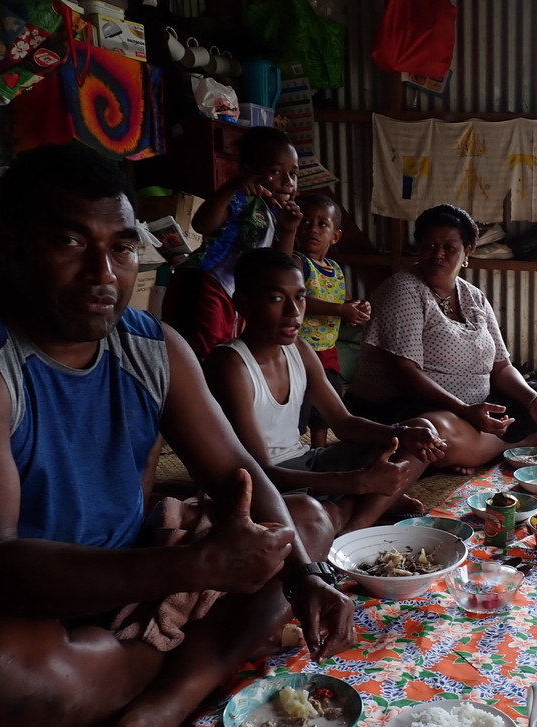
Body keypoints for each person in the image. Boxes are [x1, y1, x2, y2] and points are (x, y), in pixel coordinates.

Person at [0, 142, 356, 727]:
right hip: (33, 611)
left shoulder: (153, 347)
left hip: (137, 572)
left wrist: (305, 577)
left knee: (304, 526)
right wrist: (194, 571)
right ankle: (176, 671)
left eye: (121, 247)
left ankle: (156, 710)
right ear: (11, 245)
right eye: (69, 242)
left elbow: (239, 471)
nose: (104, 273)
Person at [204, 248, 448, 533]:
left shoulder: (300, 350)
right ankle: (361, 508)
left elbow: (344, 424)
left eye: (300, 297)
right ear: (243, 303)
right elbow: (261, 471)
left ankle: (353, 520)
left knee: (420, 430)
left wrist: (403, 435)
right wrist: (358, 482)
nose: (294, 312)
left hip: (308, 463)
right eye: (276, 298)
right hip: (265, 482)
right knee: (314, 517)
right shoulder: (231, 364)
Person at [344, 203, 537, 473]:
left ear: (467, 253)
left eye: (449, 247)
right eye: (429, 245)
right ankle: (501, 447)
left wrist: (532, 401)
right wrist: (464, 410)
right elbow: (403, 373)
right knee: (435, 428)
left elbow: (501, 366)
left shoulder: (473, 297)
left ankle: (469, 450)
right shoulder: (403, 290)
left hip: (471, 409)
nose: (438, 255)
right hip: (401, 405)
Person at [162, 126, 303, 360]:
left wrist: (289, 230)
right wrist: (232, 186)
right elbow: (202, 225)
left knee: (222, 357)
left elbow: (280, 269)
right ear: (249, 171)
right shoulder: (243, 199)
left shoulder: (279, 215)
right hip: (206, 284)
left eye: (294, 173)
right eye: (276, 171)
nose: (288, 182)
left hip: (234, 298)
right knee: (198, 360)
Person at [293, 193, 371, 446]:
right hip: (299, 351)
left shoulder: (335, 270)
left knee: (327, 402)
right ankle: (288, 448)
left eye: (321, 224)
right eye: (305, 221)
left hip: (327, 351)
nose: (311, 229)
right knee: (299, 404)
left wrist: (357, 307)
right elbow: (300, 300)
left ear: (335, 236)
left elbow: (342, 301)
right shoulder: (297, 262)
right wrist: (340, 310)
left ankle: (319, 448)